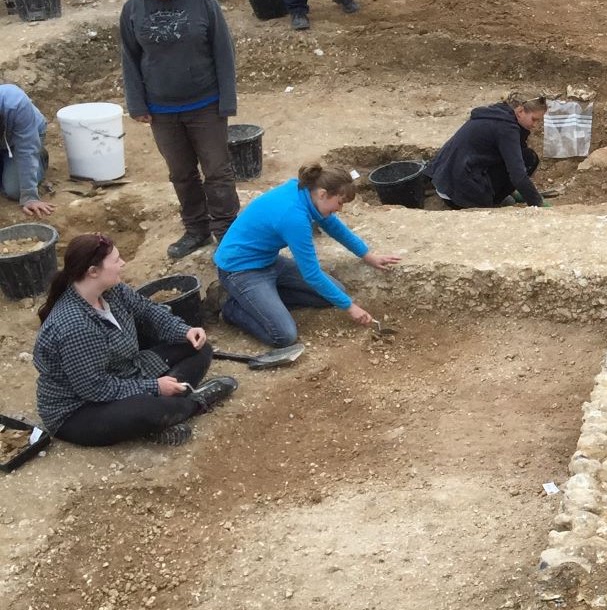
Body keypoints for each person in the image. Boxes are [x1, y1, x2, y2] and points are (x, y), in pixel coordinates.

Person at [33, 233, 237, 447]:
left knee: (199, 348)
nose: (123, 263)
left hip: (125, 370)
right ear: (93, 272)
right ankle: (193, 404)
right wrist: (154, 387)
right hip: (81, 409)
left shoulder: (111, 290)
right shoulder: (76, 325)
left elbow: (147, 311)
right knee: (147, 409)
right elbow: (96, 389)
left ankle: (159, 418)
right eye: (115, 260)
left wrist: (184, 331)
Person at [121, 0, 240, 259]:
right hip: (162, 109)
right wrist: (137, 103)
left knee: (217, 170)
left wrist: (227, 100)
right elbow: (130, 59)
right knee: (181, 172)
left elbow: (223, 51)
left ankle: (226, 229)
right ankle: (196, 229)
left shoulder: (201, 0)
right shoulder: (133, 8)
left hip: (205, 103)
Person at [212, 162, 401, 352]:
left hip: (268, 261)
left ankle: (264, 301)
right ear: (323, 194)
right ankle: (233, 310)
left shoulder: (305, 191)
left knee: (334, 293)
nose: (340, 209)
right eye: (340, 202)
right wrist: (351, 308)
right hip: (240, 270)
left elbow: (333, 226)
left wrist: (367, 255)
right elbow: (311, 274)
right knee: (284, 335)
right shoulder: (294, 217)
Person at [427, 93, 548, 208]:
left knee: (516, 155)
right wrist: (537, 203)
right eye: (534, 119)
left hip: (446, 183)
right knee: (529, 158)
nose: (535, 126)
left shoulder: (497, 114)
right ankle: (493, 200)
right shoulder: (506, 128)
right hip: (459, 197)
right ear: (520, 111)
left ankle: (500, 194)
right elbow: (518, 175)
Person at [1, 83, 54, 218]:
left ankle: (40, 157)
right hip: (3, 143)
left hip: (23, 141)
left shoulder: (16, 102)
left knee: (15, 190)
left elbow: (26, 150)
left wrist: (30, 197)